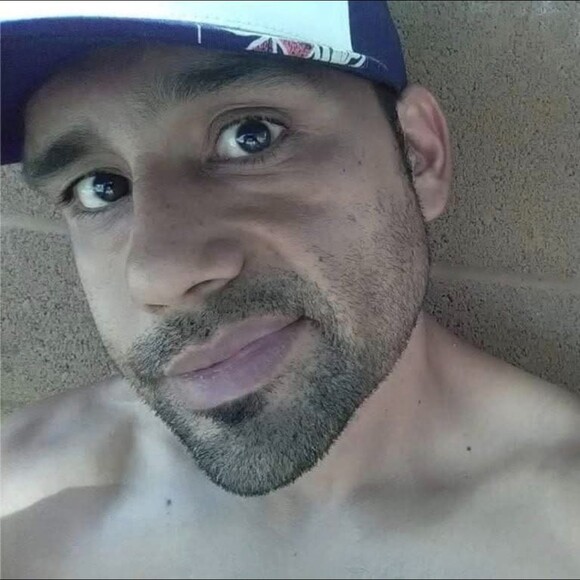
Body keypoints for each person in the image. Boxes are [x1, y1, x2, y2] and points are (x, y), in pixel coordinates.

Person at [1, 2, 579, 578]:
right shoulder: (20, 501)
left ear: (418, 156)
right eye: (100, 188)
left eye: (250, 136)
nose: (158, 275)